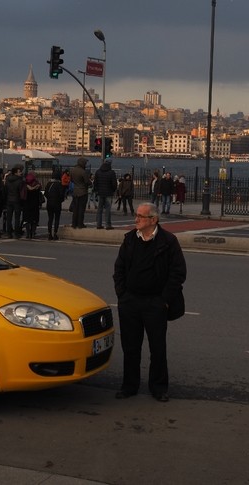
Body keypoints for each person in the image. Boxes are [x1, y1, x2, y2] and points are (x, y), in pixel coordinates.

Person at [113, 202, 187, 403]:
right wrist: (122, 295)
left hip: (155, 303)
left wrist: (164, 300)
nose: (135, 219)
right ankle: (129, 386)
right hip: (130, 302)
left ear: (153, 220)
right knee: (130, 347)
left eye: (140, 216)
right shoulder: (129, 239)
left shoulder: (168, 241)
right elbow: (119, 268)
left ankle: (159, 388)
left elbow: (178, 273)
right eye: (136, 215)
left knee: (158, 348)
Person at [93, 159, 118, 230]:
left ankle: (98, 224)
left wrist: (97, 191)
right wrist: (113, 190)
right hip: (108, 192)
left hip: (100, 193)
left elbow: (95, 183)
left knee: (99, 209)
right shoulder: (111, 172)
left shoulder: (98, 172)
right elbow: (114, 184)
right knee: (108, 210)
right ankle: (108, 225)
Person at [4, 166, 25, 238]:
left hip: (9, 199)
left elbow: (5, 190)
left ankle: (9, 233)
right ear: (16, 173)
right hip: (17, 200)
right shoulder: (20, 181)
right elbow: (21, 192)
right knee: (17, 218)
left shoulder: (8, 179)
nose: (21, 173)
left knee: (9, 217)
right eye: (19, 172)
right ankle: (16, 233)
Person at [44, 170, 65, 240]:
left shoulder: (49, 184)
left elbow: (45, 194)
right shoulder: (59, 184)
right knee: (57, 218)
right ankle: (55, 233)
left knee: (50, 219)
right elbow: (62, 194)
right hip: (57, 203)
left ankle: (49, 234)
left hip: (49, 203)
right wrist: (60, 200)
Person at [70, 157, 90, 229]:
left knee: (75, 209)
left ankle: (74, 224)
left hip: (75, 191)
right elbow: (87, 182)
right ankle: (80, 224)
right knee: (81, 209)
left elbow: (71, 180)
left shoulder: (72, 170)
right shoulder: (83, 171)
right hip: (83, 192)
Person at [22, 171, 43, 239]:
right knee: (34, 219)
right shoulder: (37, 184)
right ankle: (33, 233)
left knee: (27, 219)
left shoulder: (25, 184)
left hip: (26, 203)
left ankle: (28, 233)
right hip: (35, 203)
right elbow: (39, 190)